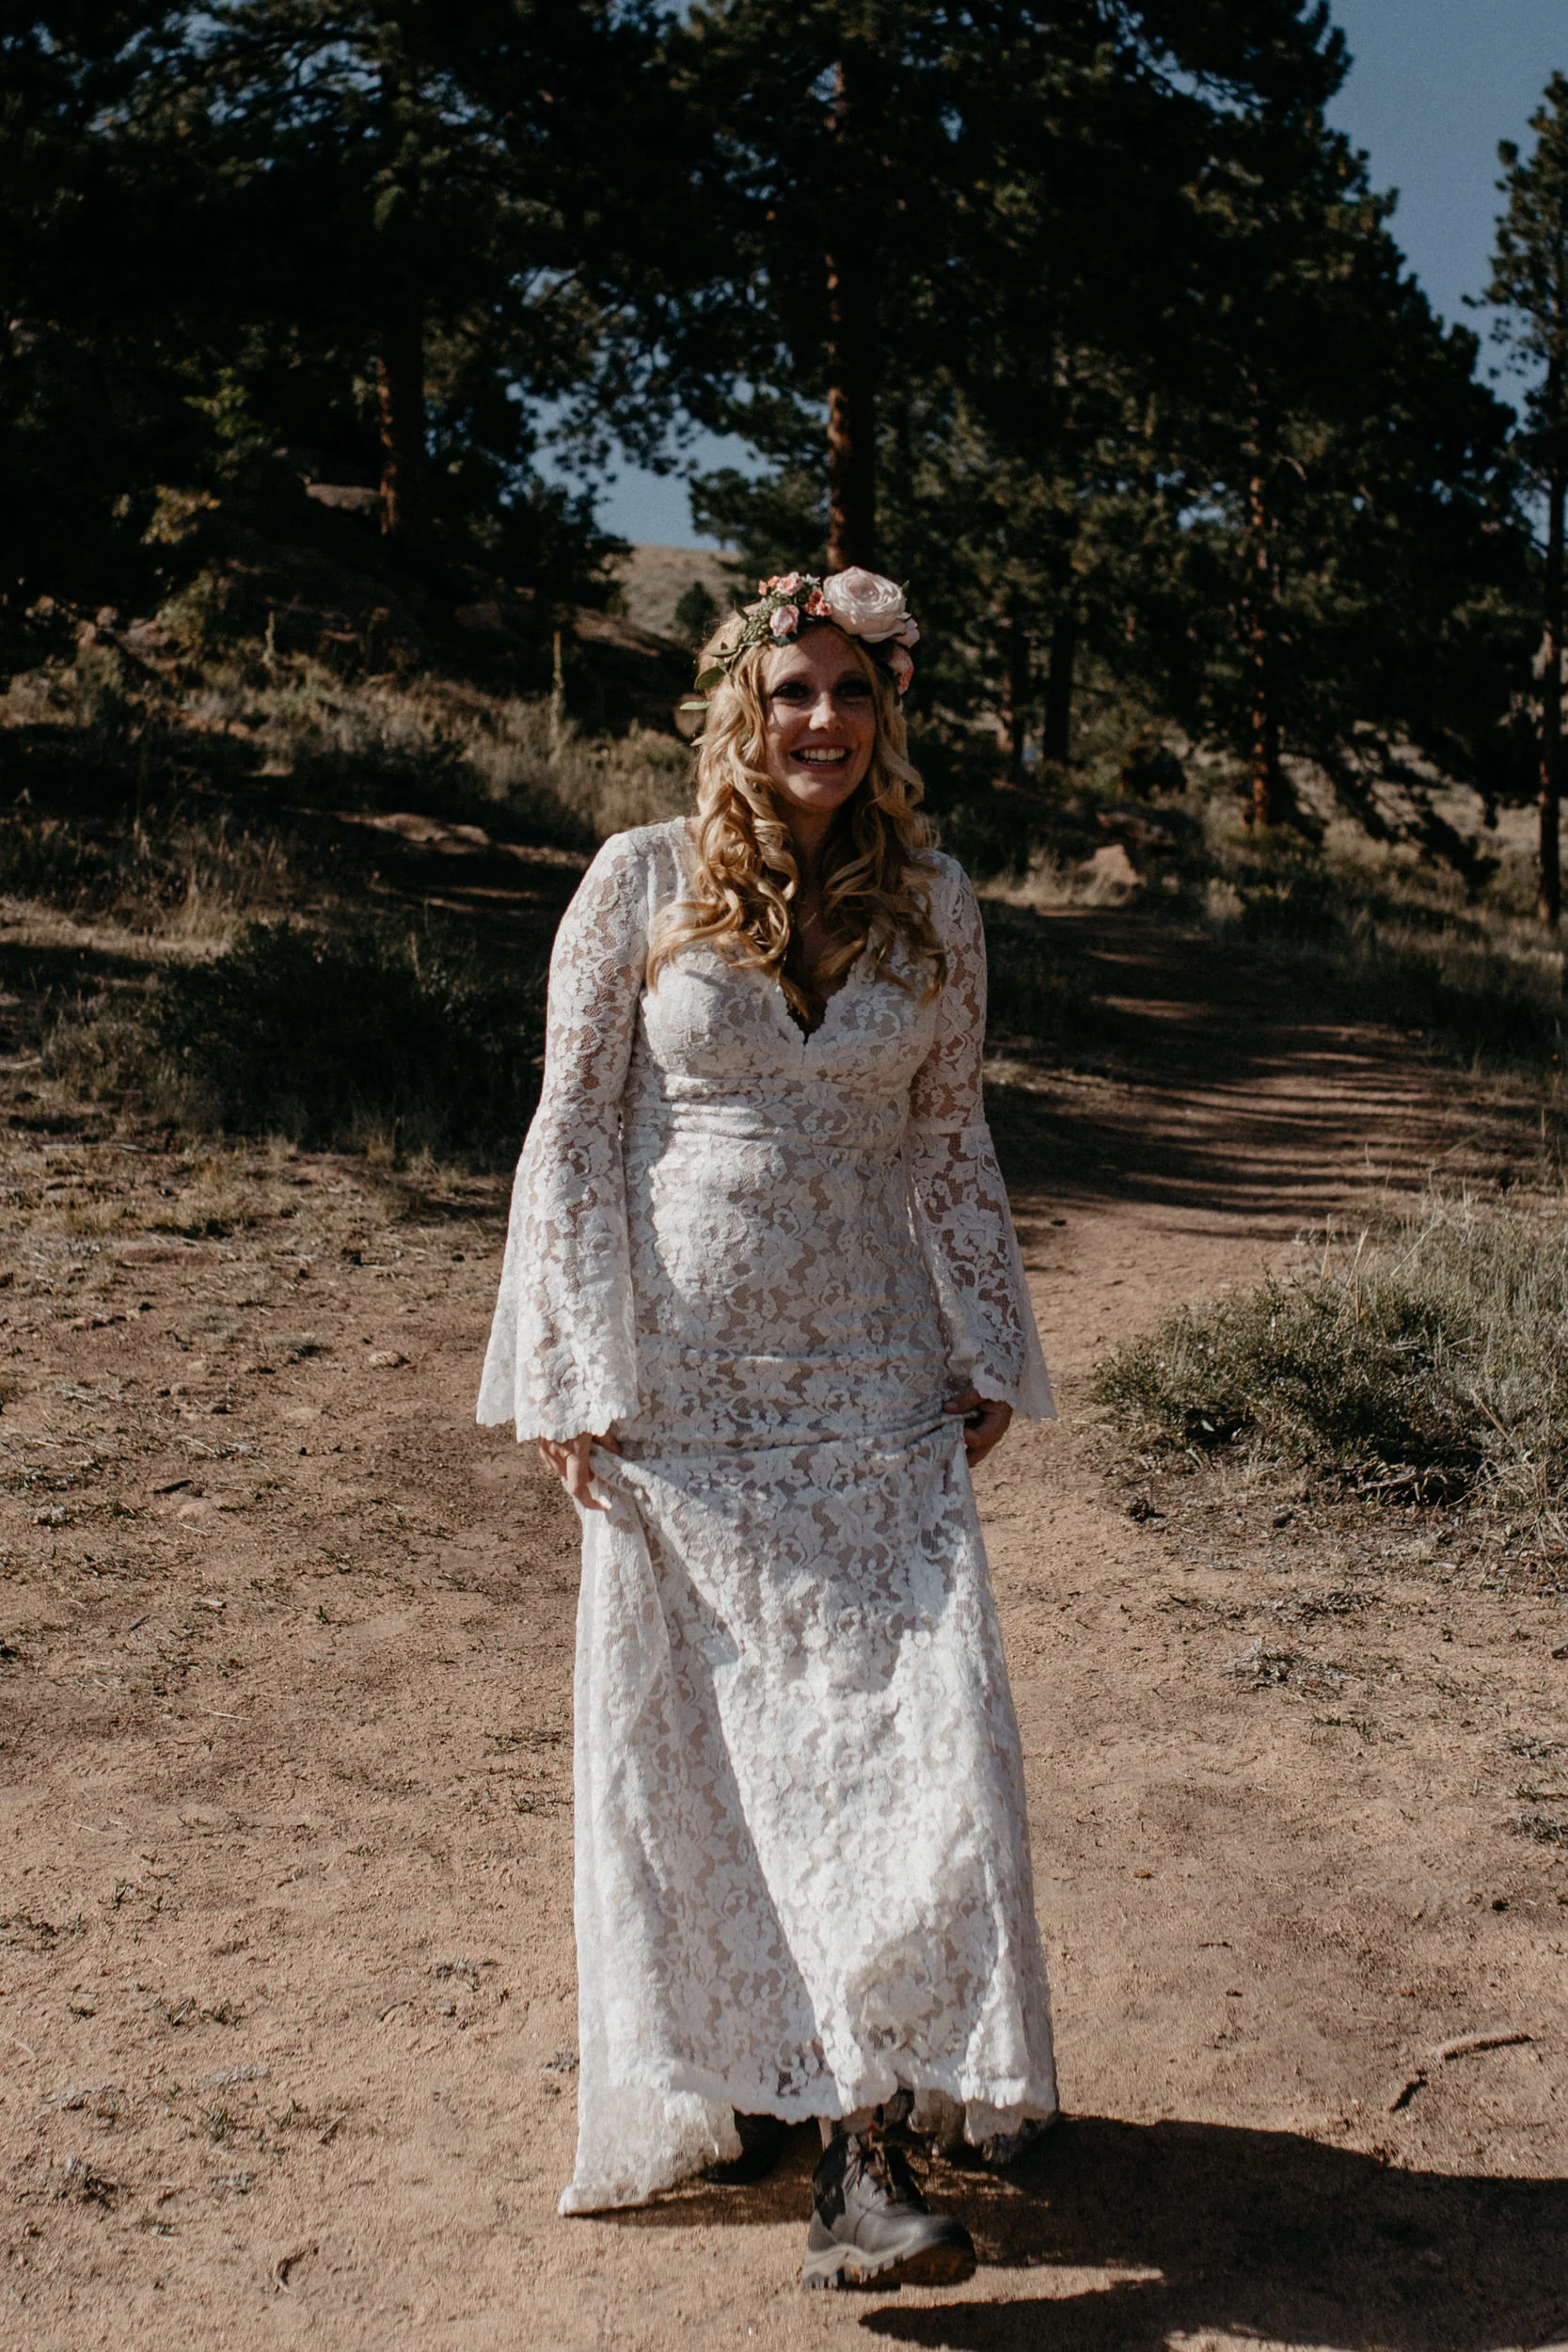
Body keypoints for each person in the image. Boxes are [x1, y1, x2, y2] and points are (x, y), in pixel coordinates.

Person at [479, 565, 1057, 2291]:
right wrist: (570, 1373)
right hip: (684, 1398)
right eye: (791, 690)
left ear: (888, 719)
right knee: (709, 1762)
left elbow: (947, 1136)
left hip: (875, 1387)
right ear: (738, 706)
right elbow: (572, 1133)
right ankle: (768, 2090)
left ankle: (867, 2138)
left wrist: (986, 1344)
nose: (824, 721)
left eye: (854, 693)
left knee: (910, 1742)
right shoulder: (635, 881)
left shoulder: (936, 903)